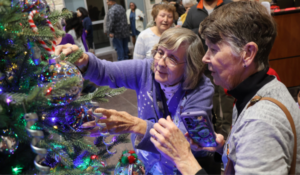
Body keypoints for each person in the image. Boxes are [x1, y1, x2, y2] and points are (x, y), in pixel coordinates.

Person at [150, 1, 300, 175]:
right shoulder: (262, 90)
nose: (205, 58)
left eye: (214, 49)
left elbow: (258, 134)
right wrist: (225, 147)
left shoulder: (261, 122)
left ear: (248, 53)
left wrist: (184, 158)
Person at [55, 28, 214, 175]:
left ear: (189, 66)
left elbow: (181, 141)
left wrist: (136, 125)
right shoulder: (146, 69)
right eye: (160, 52)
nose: (161, 62)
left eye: (172, 58)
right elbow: (107, 71)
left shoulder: (202, 88)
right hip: (150, 164)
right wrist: (84, 60)